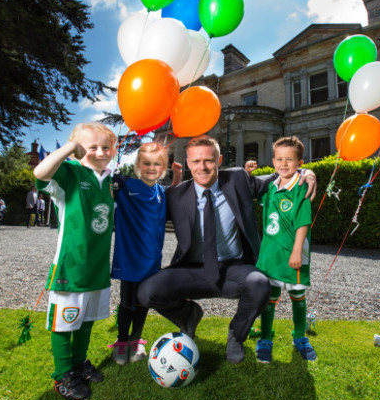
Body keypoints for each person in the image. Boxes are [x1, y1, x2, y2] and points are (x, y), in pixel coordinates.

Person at [137, 135, 317, 364]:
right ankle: (188, 316)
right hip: (193, 270)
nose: (202, 167)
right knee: (146, 291)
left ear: (219, 160)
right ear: (189, 162)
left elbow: (279, 175)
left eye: (209, 160)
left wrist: (306, 172)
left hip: (234, 269)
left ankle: (236, 335)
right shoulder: (175, 195)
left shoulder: (238, 179)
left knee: (260, 284)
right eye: (196, 161)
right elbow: (145, 210)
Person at [33, 122, 117, 400]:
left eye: (106, 146)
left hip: (97, 267)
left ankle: (79, 364)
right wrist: (69, 148)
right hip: (71, 266)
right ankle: (62, 374)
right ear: (79, 149)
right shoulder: (69, 173)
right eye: (91, 147)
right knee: (63, 322)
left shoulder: (109, 179)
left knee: (87, 320)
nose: (100, 151)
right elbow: (40, 173)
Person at [108, 143, 182, 365]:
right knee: (127, 302)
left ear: (163, 168)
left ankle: (136, 339)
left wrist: (177, 175)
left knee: (143, 303)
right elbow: (104, 178)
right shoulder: (124, 185)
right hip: (130, 259)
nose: (151, 168)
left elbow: (174, 192)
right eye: (146, 164)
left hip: (151, 262)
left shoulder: (161, 193)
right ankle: (122, 341)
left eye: (157, 164)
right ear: (138, 166)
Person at [254, 136, 316, 363]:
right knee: (268, 299)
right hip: (270, 255)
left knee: (297, 296)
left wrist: (297, 250)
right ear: (273, 161)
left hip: (293, 254)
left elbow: (302, 222)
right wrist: (249, 172)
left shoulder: (301, 187)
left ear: (300, 162)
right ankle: (265, 338)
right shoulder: (270, 187)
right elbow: (247, 188)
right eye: (279, 159)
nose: (284, 163)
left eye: (290, 159)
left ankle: (299, 337)